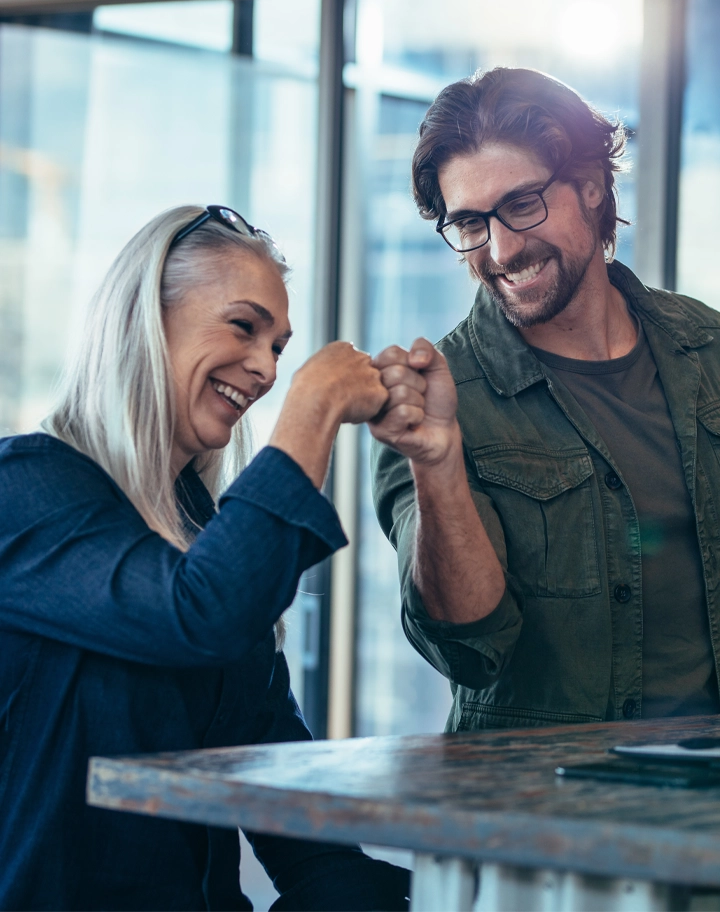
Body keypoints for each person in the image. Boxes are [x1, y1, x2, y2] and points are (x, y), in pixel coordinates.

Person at [0, 204, 409, 911]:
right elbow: (198, 615)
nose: (267, 368)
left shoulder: (210, 537)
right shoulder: (24, 489)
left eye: (279, 348)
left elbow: (288, 802)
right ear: (144, 318)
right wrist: (312, 408)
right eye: (244, 326)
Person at [370, 67, 720, 733]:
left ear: (590, 186)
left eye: (522, 204)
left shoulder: (710, 351)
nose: (502, 250)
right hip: (534, 792)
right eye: (470, 223)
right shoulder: (435, 404)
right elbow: (467, 646)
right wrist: (437, 465)